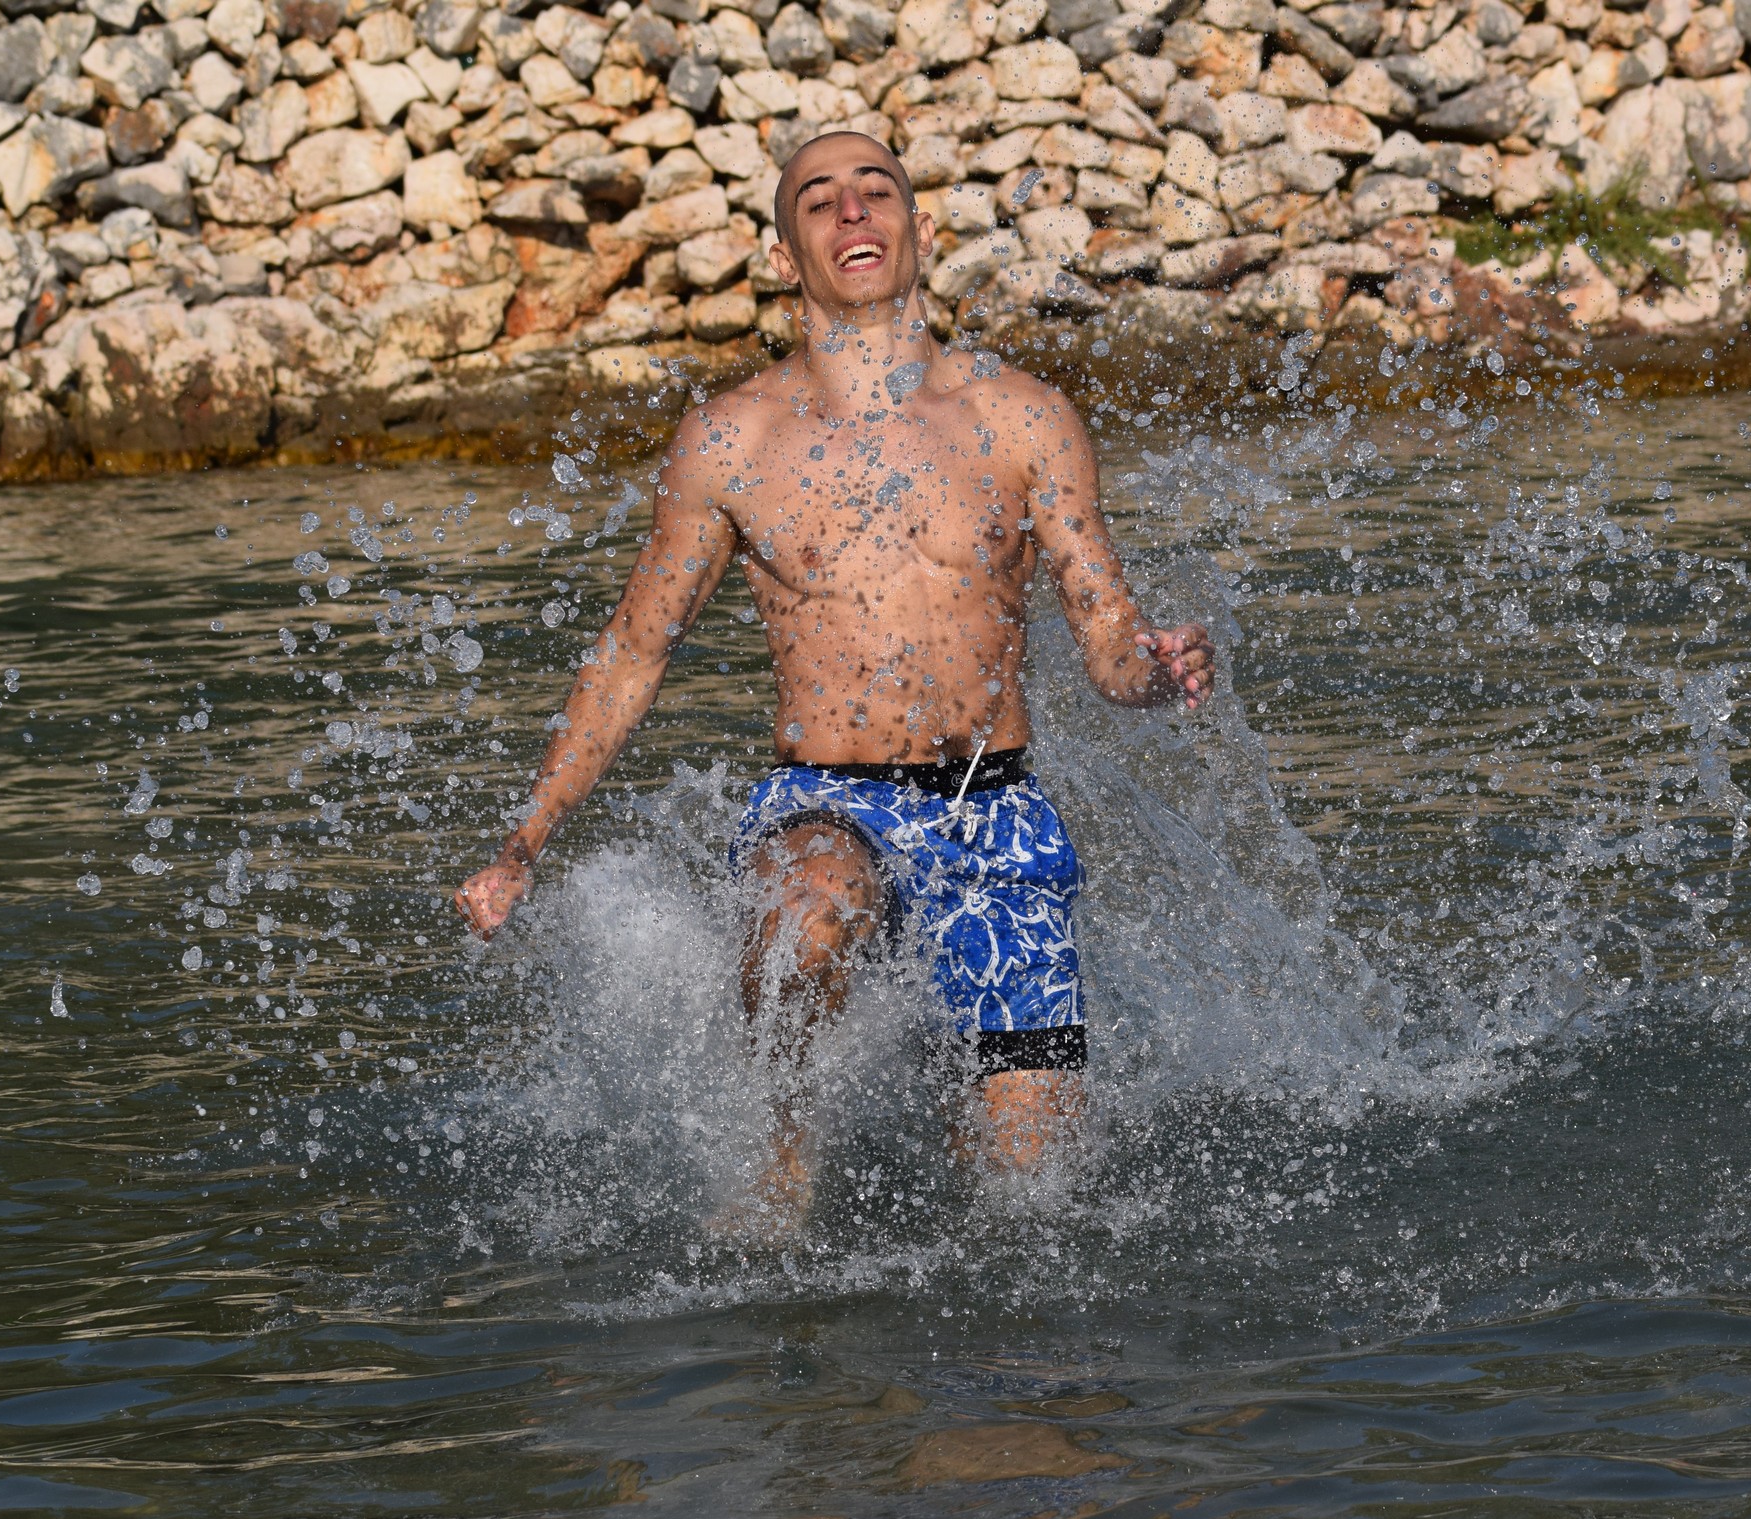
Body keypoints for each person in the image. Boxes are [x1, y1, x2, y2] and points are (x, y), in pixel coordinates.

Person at [456, 131, 1213, 1232]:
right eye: (820, 201)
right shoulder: (733, 439)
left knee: (1028, 1201)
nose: (853, 214)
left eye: (876, 193)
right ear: (784, 256)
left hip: (996, 820)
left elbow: (1106, 635)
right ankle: (777, 1165)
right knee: (814, 904)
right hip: (826, 803)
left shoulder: (1024, 417)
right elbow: (633, 651)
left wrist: (1153, 668)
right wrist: (525, 842)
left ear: (922, 230)